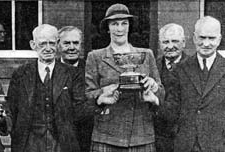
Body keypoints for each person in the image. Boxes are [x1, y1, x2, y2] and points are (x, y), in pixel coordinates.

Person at [85, 3, 165, 152]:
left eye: (124, 23)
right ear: (107, 28)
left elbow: (161, 93)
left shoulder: (146, 55)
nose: (120, 29)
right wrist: (101, 96)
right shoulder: (95, 57)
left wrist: (153, 90)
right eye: (114, 24)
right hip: (107, 136)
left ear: (129, 26)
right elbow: (87, 96)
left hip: (141, 136)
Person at [7, 24, 85, 152]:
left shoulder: (72, 74)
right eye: (43, 44)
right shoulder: (21, 74)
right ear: (33, 45)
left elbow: (79, 110)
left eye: (52, 43)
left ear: (57, 44)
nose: (48, 48)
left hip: (62, 144)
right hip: (29, 144)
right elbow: (12, 109)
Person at [166, 16, 225, 152]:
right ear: (193, 38)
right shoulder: (180, 69)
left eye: (211, 38)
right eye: (202, 38)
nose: (206, 43)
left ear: (219, 39)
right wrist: (154, 99)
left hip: (218, 146)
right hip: (185, 146)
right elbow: (171, 111)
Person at [154, 23, 189, 152]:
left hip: (184, 138)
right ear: (160, 44)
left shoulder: (193, 67)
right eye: (165, 42)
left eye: (175, 41)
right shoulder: (153, 67)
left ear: (184, 42)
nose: (170, 46)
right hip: (158, 138)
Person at [57, 26, 91, 152]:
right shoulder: (50, 69)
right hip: (59, 137)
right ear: (58, 45)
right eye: (66, 43)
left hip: (86, 135)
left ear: (81, 45)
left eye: (75, 43)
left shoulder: (90, 68)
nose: (72, 47)